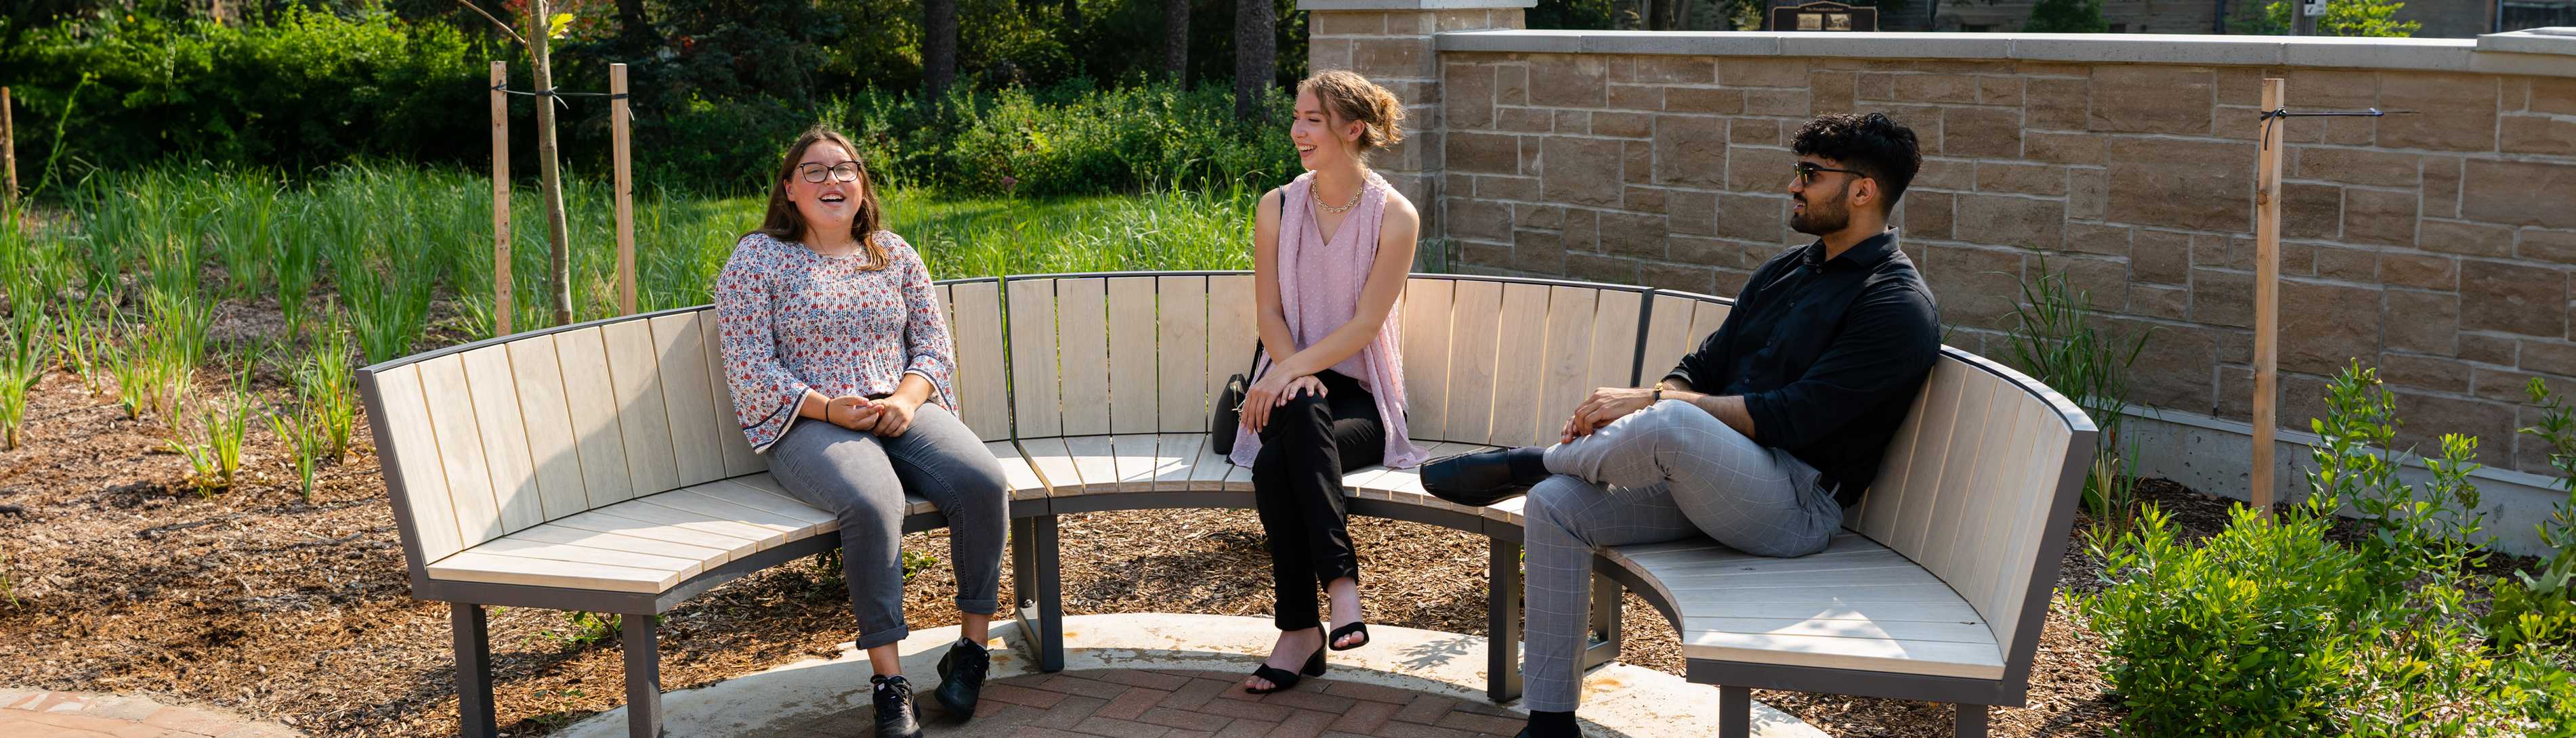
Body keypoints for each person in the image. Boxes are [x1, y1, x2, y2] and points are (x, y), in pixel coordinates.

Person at [1421, 112, 1939, 738]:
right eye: (1796, 171)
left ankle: (1527, 463)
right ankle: (1551, 721)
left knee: (1670, 422)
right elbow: (1697, 369)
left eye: (1809, 174)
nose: (1792, 186)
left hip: (1793, 506)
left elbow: (1791, 418)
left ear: (1862, 191)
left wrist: (1653, 402)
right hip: (1709, 483)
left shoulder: (1894, 303)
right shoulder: (1785, 272)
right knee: (1558, 504)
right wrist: (1665, 399)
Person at [714, 127, 1008, 738]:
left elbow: (932, 346)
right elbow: (748, 363)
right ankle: (889, 680)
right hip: (807, 420)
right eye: (814, 172)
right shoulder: (758, 258)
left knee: (982, 481)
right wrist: (827, 408)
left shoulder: (893, 253)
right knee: (875, 501)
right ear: (790, 189)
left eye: (844, 169)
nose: (831, 181)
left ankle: (972, 652)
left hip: (900, 409)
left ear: (862, 183)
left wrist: (905, 398)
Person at [1228, 69, 1431, 695]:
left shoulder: (1394, 217)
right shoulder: (1278, 205)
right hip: (1286, 384)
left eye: (1312, 120)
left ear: (1353, 129)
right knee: (1298, 416)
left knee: (1279, 459)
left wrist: (1292, 372)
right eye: (1297, 117)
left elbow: (1368, 325)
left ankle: (1299, 631)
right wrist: (1291, 370)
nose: (1297, 130)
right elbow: (1269, 314)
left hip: (1361, 402)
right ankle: (1341, 590)